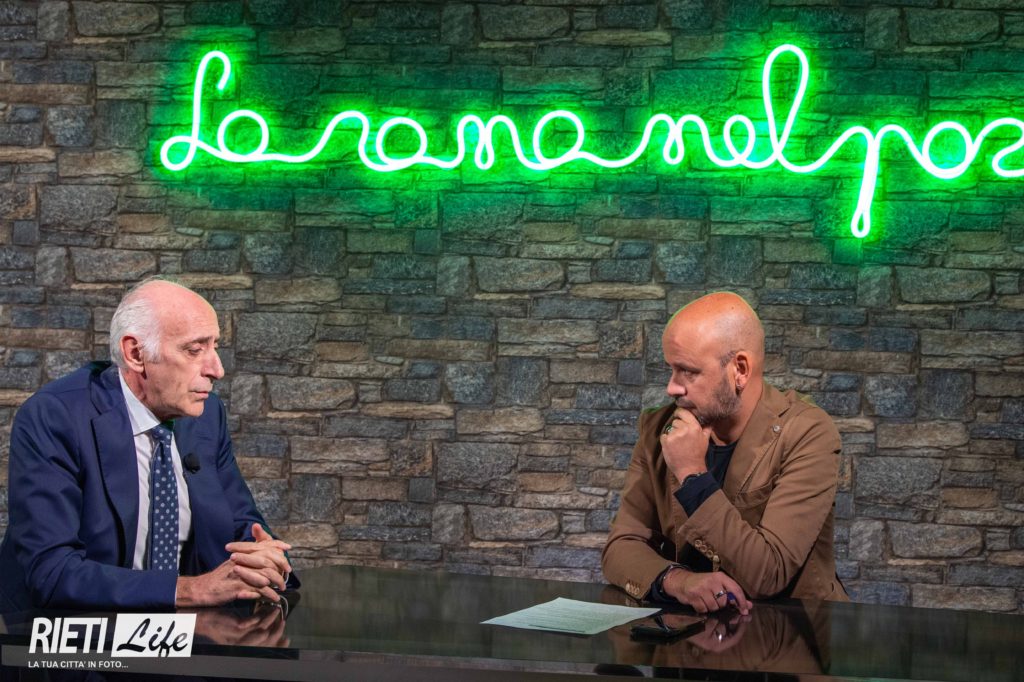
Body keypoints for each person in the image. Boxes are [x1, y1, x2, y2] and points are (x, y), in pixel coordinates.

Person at [0, 278, 295, 611]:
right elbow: (52, 572)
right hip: (67, 630)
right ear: (136, 354)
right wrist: (192, 590)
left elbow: (242, 524)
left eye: (215, 346)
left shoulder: (206, 415)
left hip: (180, 633)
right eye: (194, 350)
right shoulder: (55, 417)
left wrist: (267, 558)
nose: (217, 369)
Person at [602, 291, 847, 613]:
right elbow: (621, 546)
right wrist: (678, 581)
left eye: (688, 371)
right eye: (671, 369)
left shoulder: (806, 432)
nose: (672, 387)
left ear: (740, 370)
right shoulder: (659, 429)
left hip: (785, 632)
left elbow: (769, 574)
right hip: (689, 635)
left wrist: (692, 475)